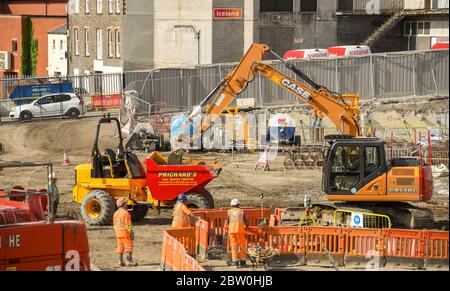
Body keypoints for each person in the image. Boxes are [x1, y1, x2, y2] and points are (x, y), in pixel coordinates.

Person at [113, 198, 137, 267]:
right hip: (125, 233)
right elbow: (128, 225)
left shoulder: (115, 213)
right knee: (128, 246)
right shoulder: (125, 213)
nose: (126, 205)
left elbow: (114, 224)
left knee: (120, 247)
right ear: (123, 204)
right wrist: (131, 232)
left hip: (118, 233)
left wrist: (117, 232)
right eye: (125, 203)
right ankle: (128, 261)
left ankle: (120, 261)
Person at [224, 199, 248, 268]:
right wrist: (246, 226)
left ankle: (236, 263)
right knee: (242, 247)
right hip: (240, 231)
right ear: (238, 205)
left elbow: (228, 221)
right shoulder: (241, 211)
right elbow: (245, 221)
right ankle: (242, 263)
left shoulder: (229, 212)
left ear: (232, 205)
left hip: (232, 231)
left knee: (234, 247)